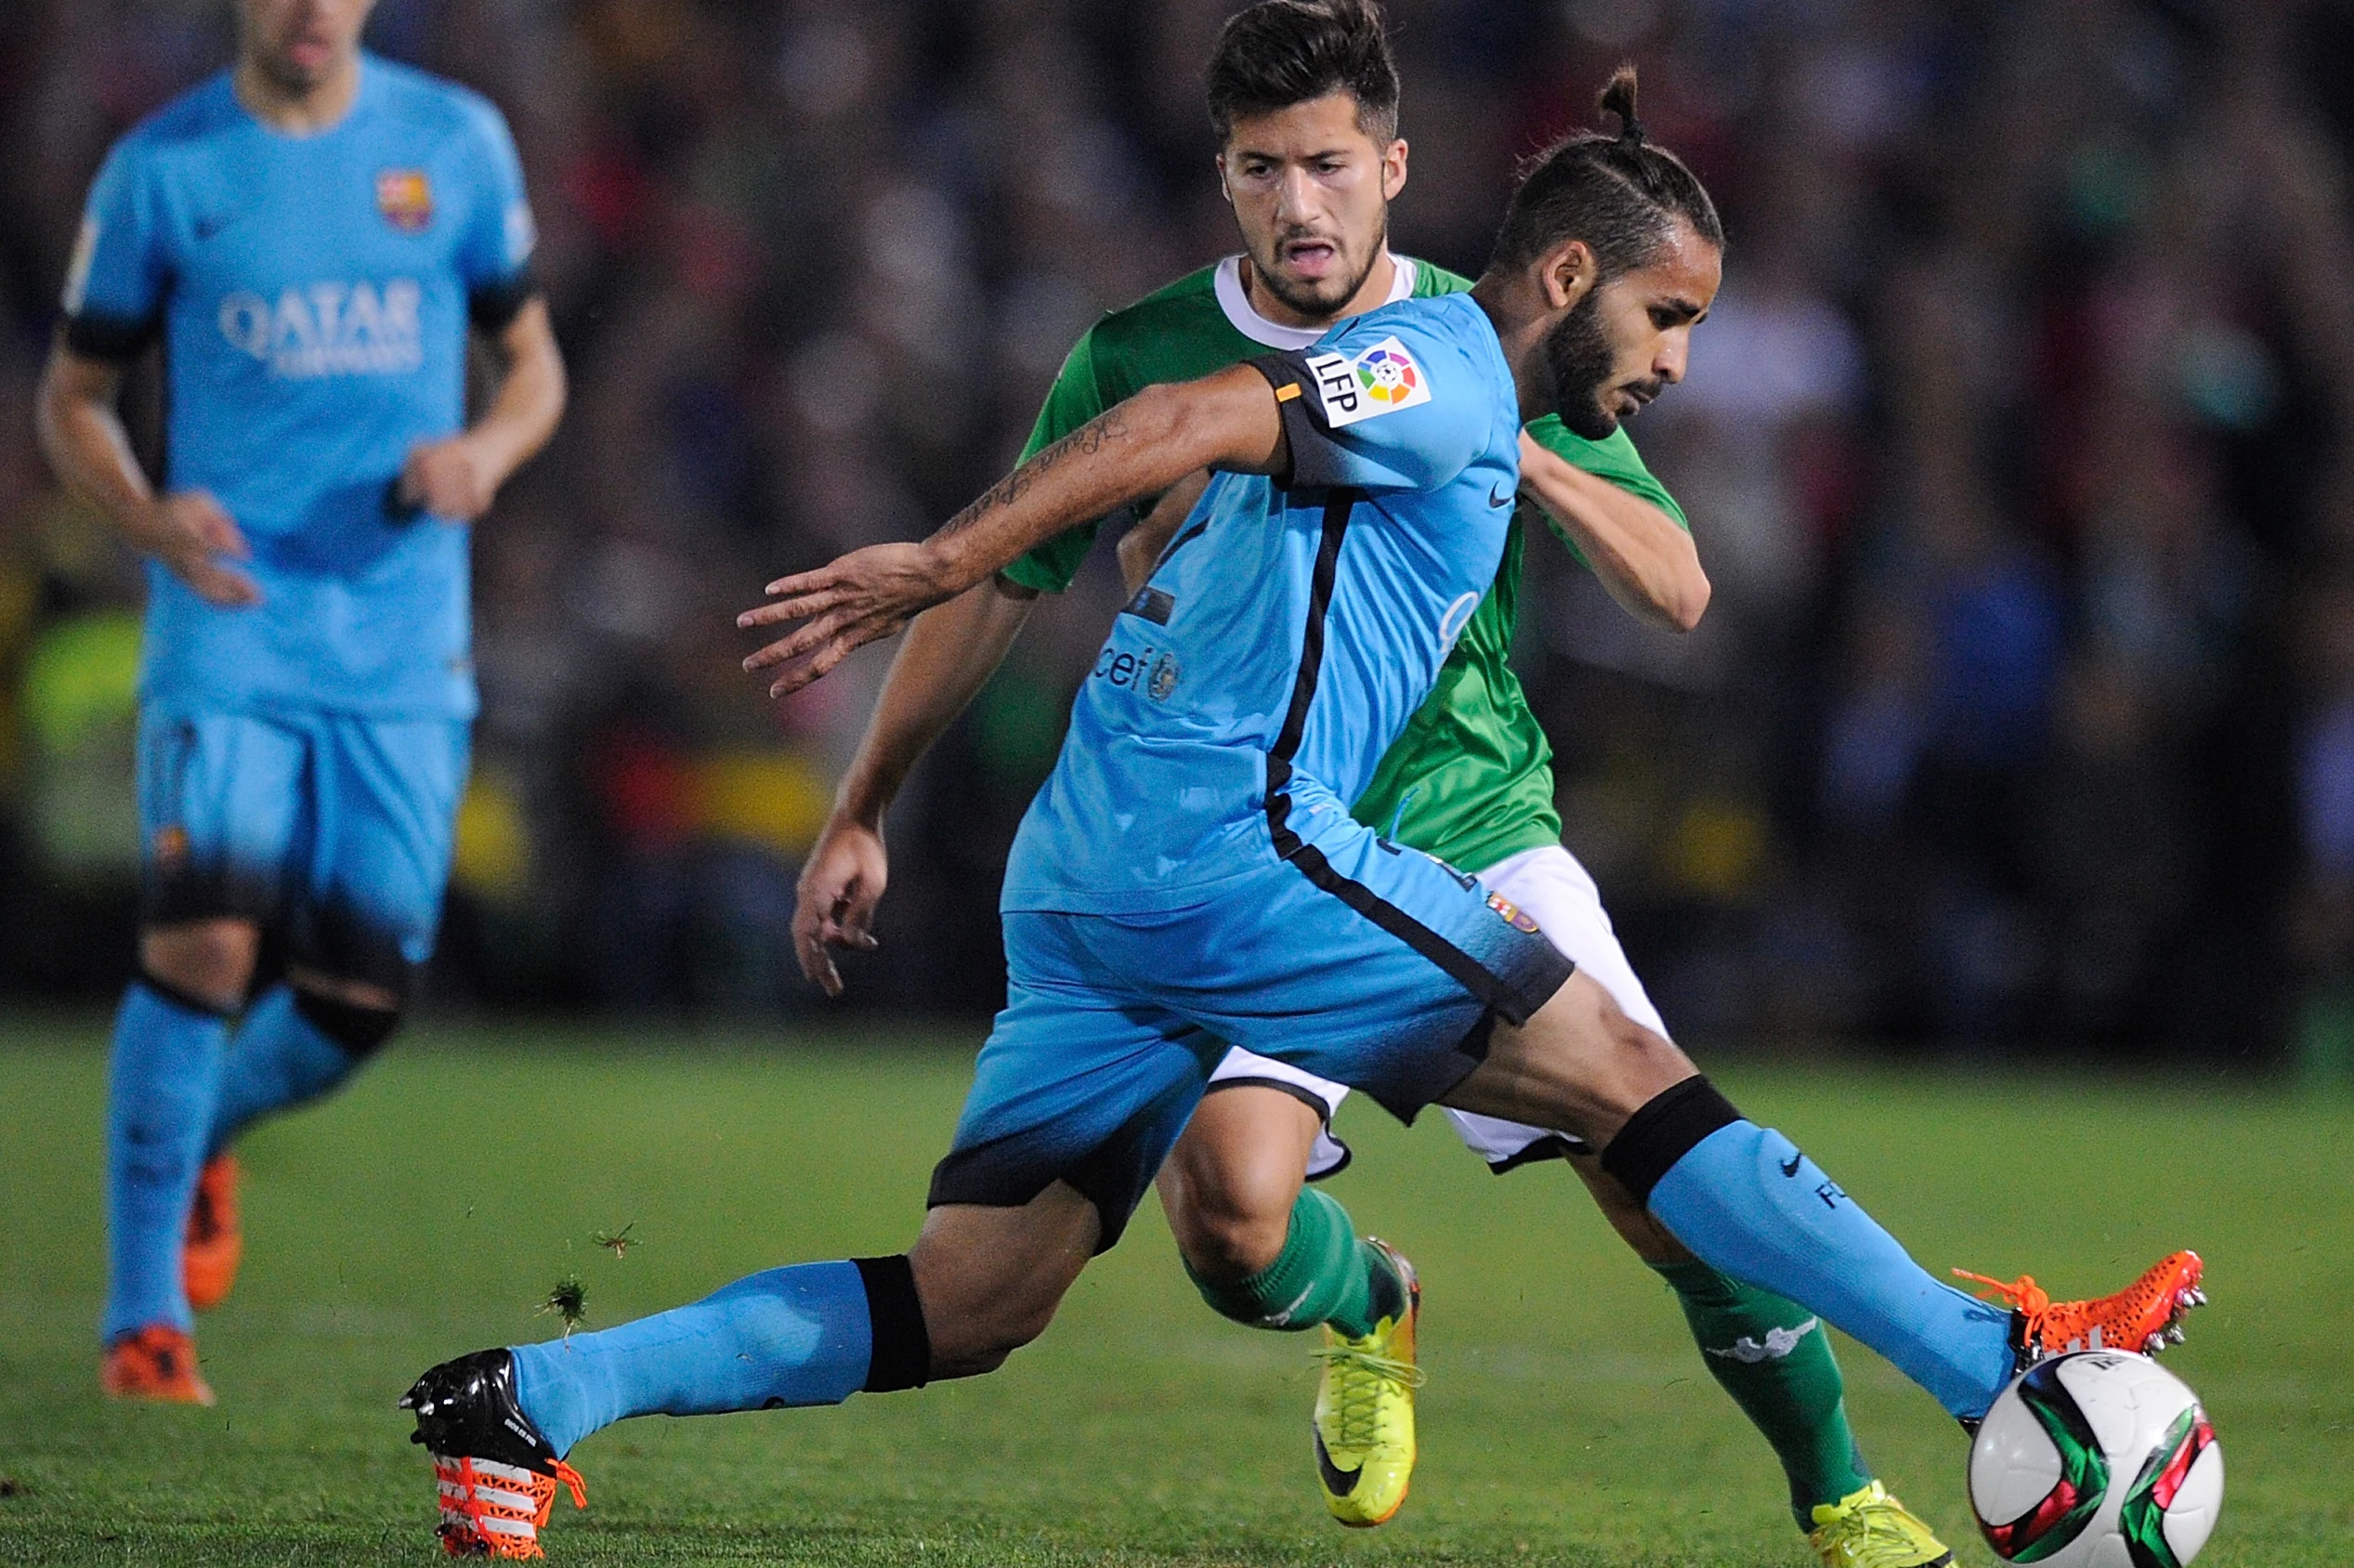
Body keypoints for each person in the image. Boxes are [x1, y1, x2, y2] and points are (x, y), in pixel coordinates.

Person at [401, 71, 2200, 1566]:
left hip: (1090, 870)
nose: (1673, 362)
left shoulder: (1474, 397)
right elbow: (1196, 408)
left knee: (976, 1298)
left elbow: (1326, 475)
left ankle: (528, 1404)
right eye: (1665, 317)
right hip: (1236, 849)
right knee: (1632, 1088)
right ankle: (1998, 1365)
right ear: (1568, 274)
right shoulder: (1446, 366)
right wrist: (950, 556)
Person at [784, 2, 1888, 1556]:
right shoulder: (1142, 356)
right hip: (1261, 847)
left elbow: (1682, 585)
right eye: (1262, 168)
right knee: (1233, 1230)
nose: (1300, 204)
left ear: (1390, 169)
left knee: (1652, 1177)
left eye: (1327, 166)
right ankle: (1374, 1303)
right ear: (1225, 178)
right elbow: (1003, 585)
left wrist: (1507, 444)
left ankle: (1844, 1494)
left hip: (1472, 818)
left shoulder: (1476, 334)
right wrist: (864, 803)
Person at [35, 0, 565, 1405]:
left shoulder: (451, 144)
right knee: (205, 941)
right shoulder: (165, 170)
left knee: (357, 997)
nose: (309, 8)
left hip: (402, 646)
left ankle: (195, 1138)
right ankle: (145, 1322)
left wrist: (485, 456)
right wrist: (148, 520)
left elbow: (535, 368)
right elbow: (70, 401)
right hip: (231, 626)